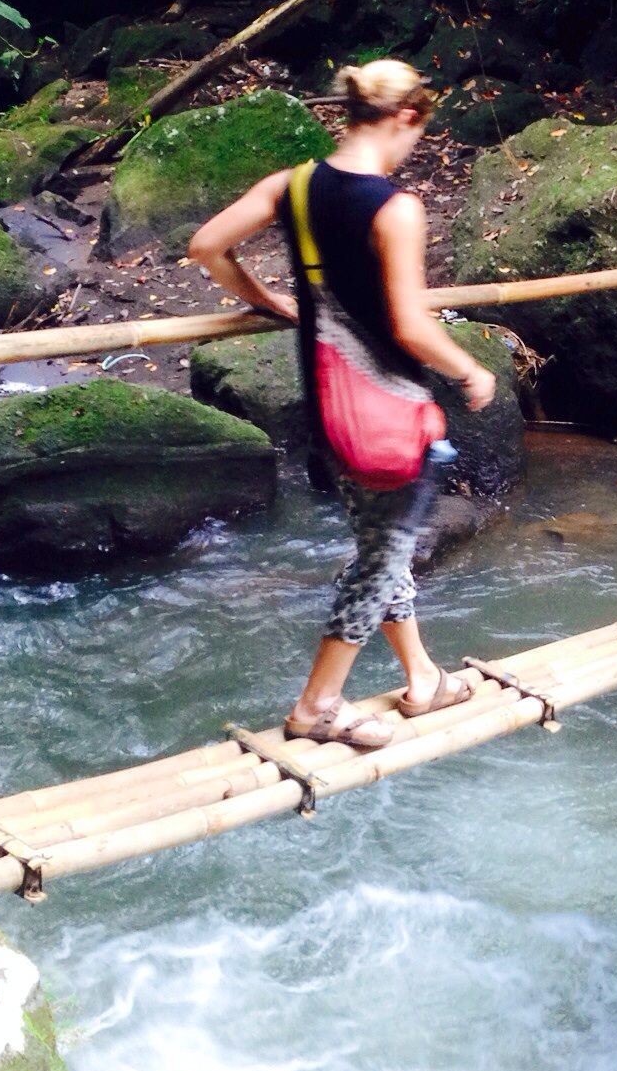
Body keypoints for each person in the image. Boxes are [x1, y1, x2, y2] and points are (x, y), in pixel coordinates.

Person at [186, 60, 496, 750]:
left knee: (382, 545)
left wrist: (269, 300)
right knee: (382, 560)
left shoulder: (292, 187)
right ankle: (317, 705)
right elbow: (411, 326)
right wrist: (471, 369)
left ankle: (423, 678)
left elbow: (206, 247)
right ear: (406, 117)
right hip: (391, 412)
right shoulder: (396, 208)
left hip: (332, 410)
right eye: (419, 132)